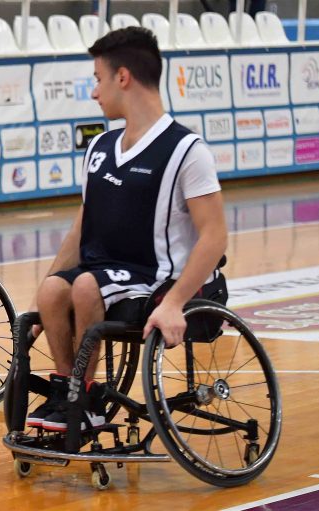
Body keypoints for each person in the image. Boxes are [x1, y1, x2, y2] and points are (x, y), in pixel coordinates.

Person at [26, 27, 228, 432]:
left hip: (156, 280)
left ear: (122, 77)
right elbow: (81, 228)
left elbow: (215, 237)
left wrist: (174, 302)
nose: (94, 92)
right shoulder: (100, 147)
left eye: (98, 79)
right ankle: (69, 394)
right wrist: (40, 306)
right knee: (51, 290)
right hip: (106, 273)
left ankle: (85, 400)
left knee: (86, 286)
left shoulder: (187, 150)